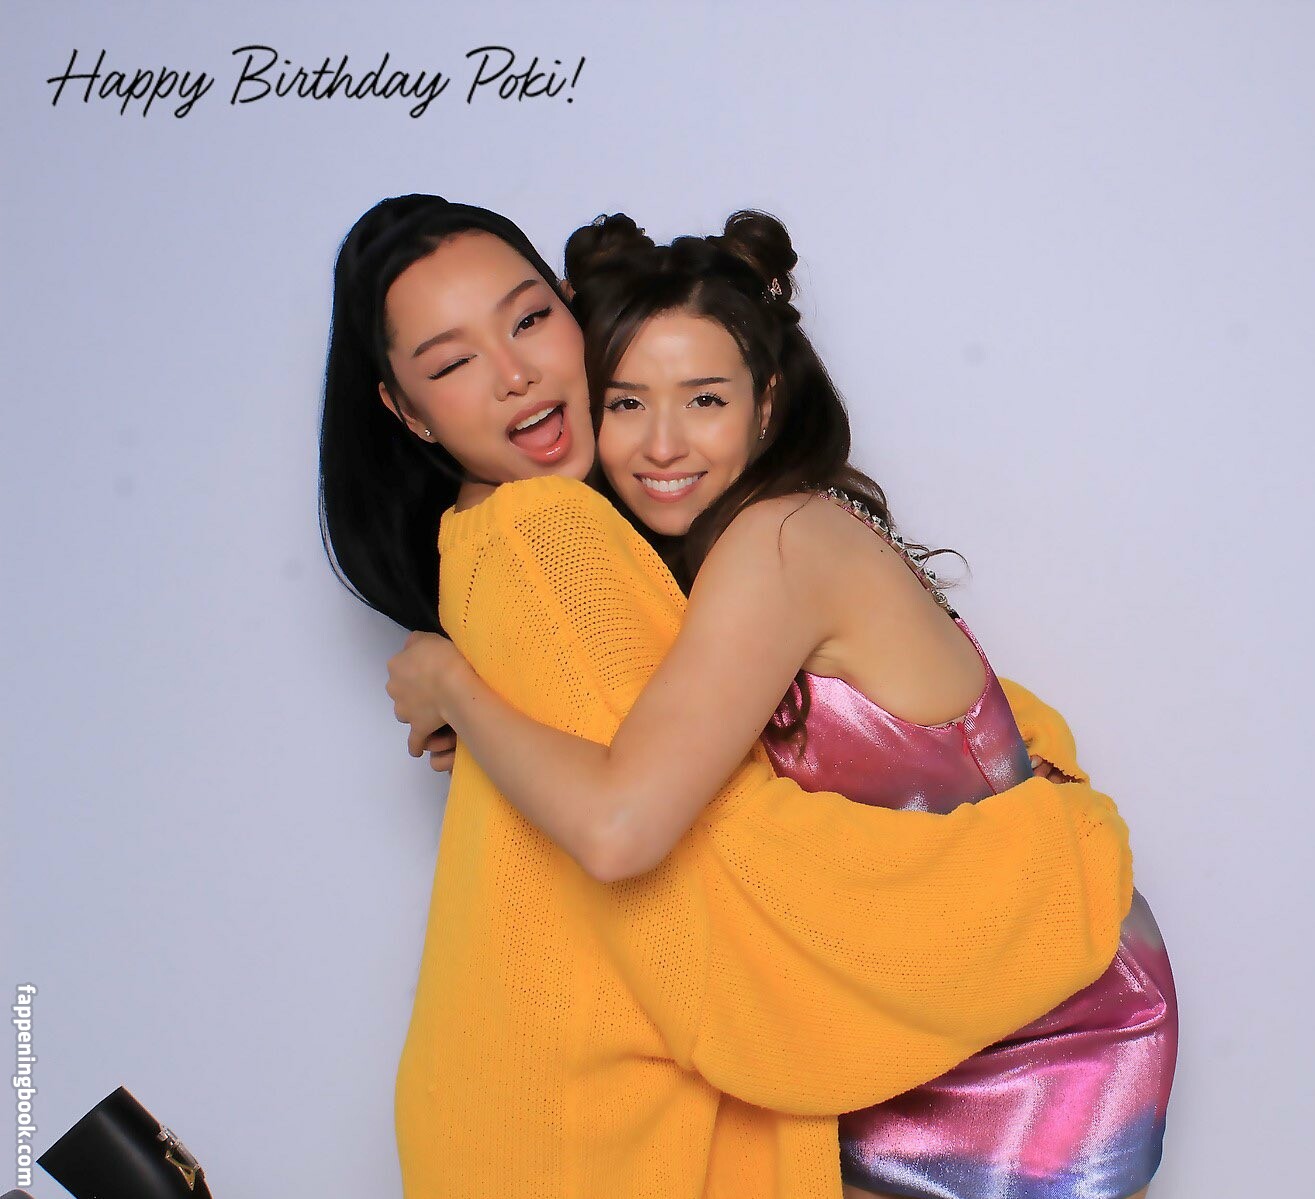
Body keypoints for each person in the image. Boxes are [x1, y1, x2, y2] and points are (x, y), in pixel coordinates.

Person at [320, 194, 1134, 1199]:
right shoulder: (586, 538)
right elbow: (649, 816)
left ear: (765, 401)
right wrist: (487, 711)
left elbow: (631, 822)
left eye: (528, 319)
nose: (516, 372)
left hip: (1031, 1057)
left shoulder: (753, 542)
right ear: (404, 410)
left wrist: (456, 687)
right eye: (629, 403)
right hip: (949, 1048)